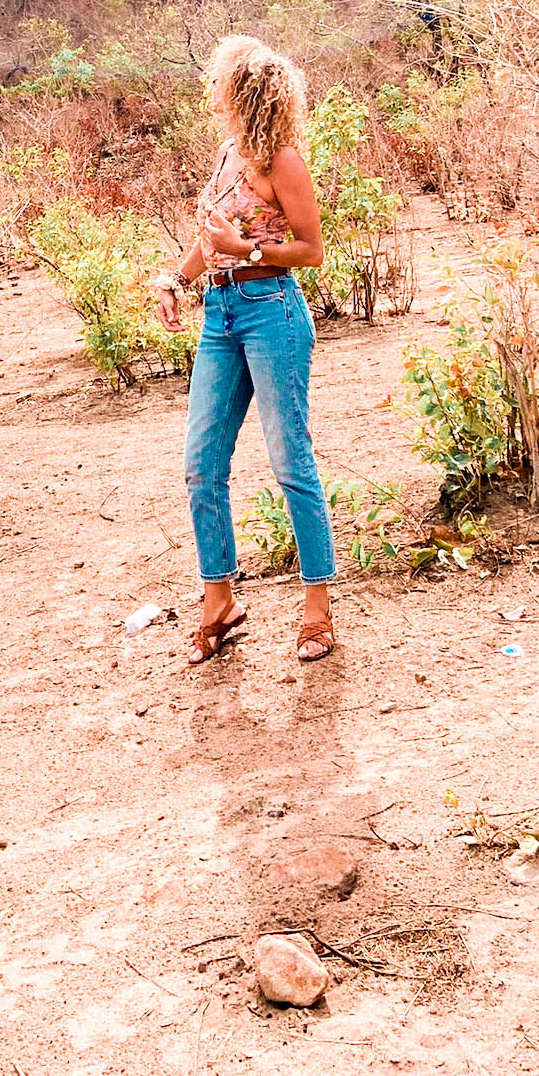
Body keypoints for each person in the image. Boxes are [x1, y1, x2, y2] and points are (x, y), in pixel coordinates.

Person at [155, 35, 336, 667]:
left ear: (245, 88)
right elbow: (214, 239)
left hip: (272, 312)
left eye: (219, 77)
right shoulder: (230, 154)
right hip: (221, 314)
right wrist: (176, 278)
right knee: (201, 463)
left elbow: (312, 251)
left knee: (291, 464)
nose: (211, 86)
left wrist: (248, 252)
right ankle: (219, 601)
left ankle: (317, 610)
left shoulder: (281, 160)